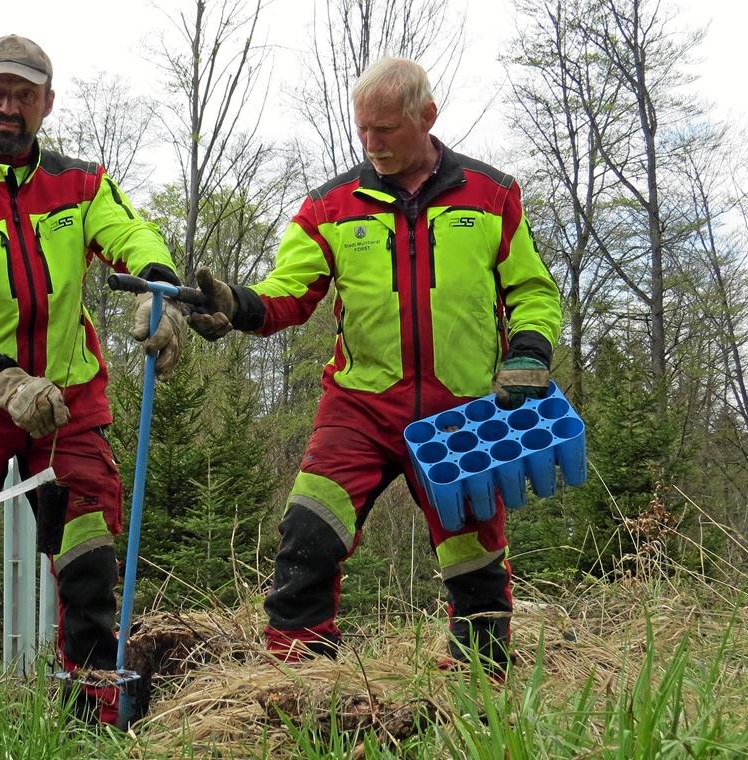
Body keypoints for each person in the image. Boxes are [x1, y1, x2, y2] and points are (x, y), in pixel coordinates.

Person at [189, 58, 561, 676]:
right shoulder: (330, 206)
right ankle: (298, 680)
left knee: (475, 562)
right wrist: (241, 306)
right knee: (308, 535)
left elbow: (533, 291)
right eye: (364, 131)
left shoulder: (493, 195)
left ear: (428, 117)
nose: (372, 144)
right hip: (358, 409)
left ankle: (478, 686)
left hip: (462, 414)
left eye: (386, 129)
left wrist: (528, 352)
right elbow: (290, 292)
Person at [0, 33, 187, 734]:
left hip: (70, 402)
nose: (8, 108)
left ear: (46, 104)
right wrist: (2, 379)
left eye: (23, 96)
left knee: (89, 568)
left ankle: (90, 724)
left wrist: (159, 288)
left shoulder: (81, 182)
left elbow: (131, 233)